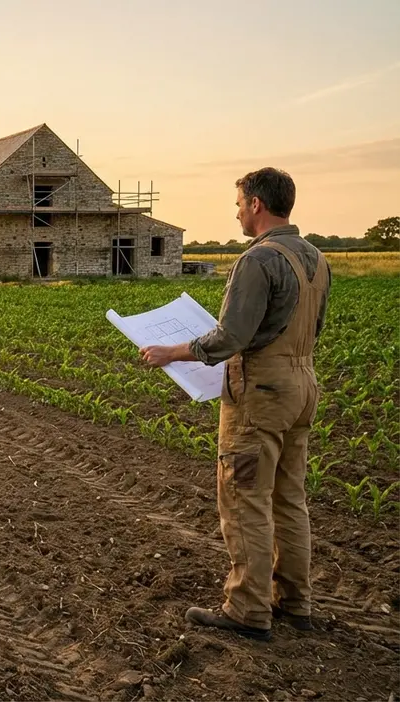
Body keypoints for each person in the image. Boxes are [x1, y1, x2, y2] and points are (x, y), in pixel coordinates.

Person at [139, 167, 330, 642]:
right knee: (289, 498)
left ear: (257, 205)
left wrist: (172, 351)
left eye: (240, 204)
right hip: (302, 385)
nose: (238, 213)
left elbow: (230, 337)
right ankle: (295, 602)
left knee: (246, 497)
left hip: (260, 393)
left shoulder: (258, 259)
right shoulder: (316, 258)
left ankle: (248, 608)